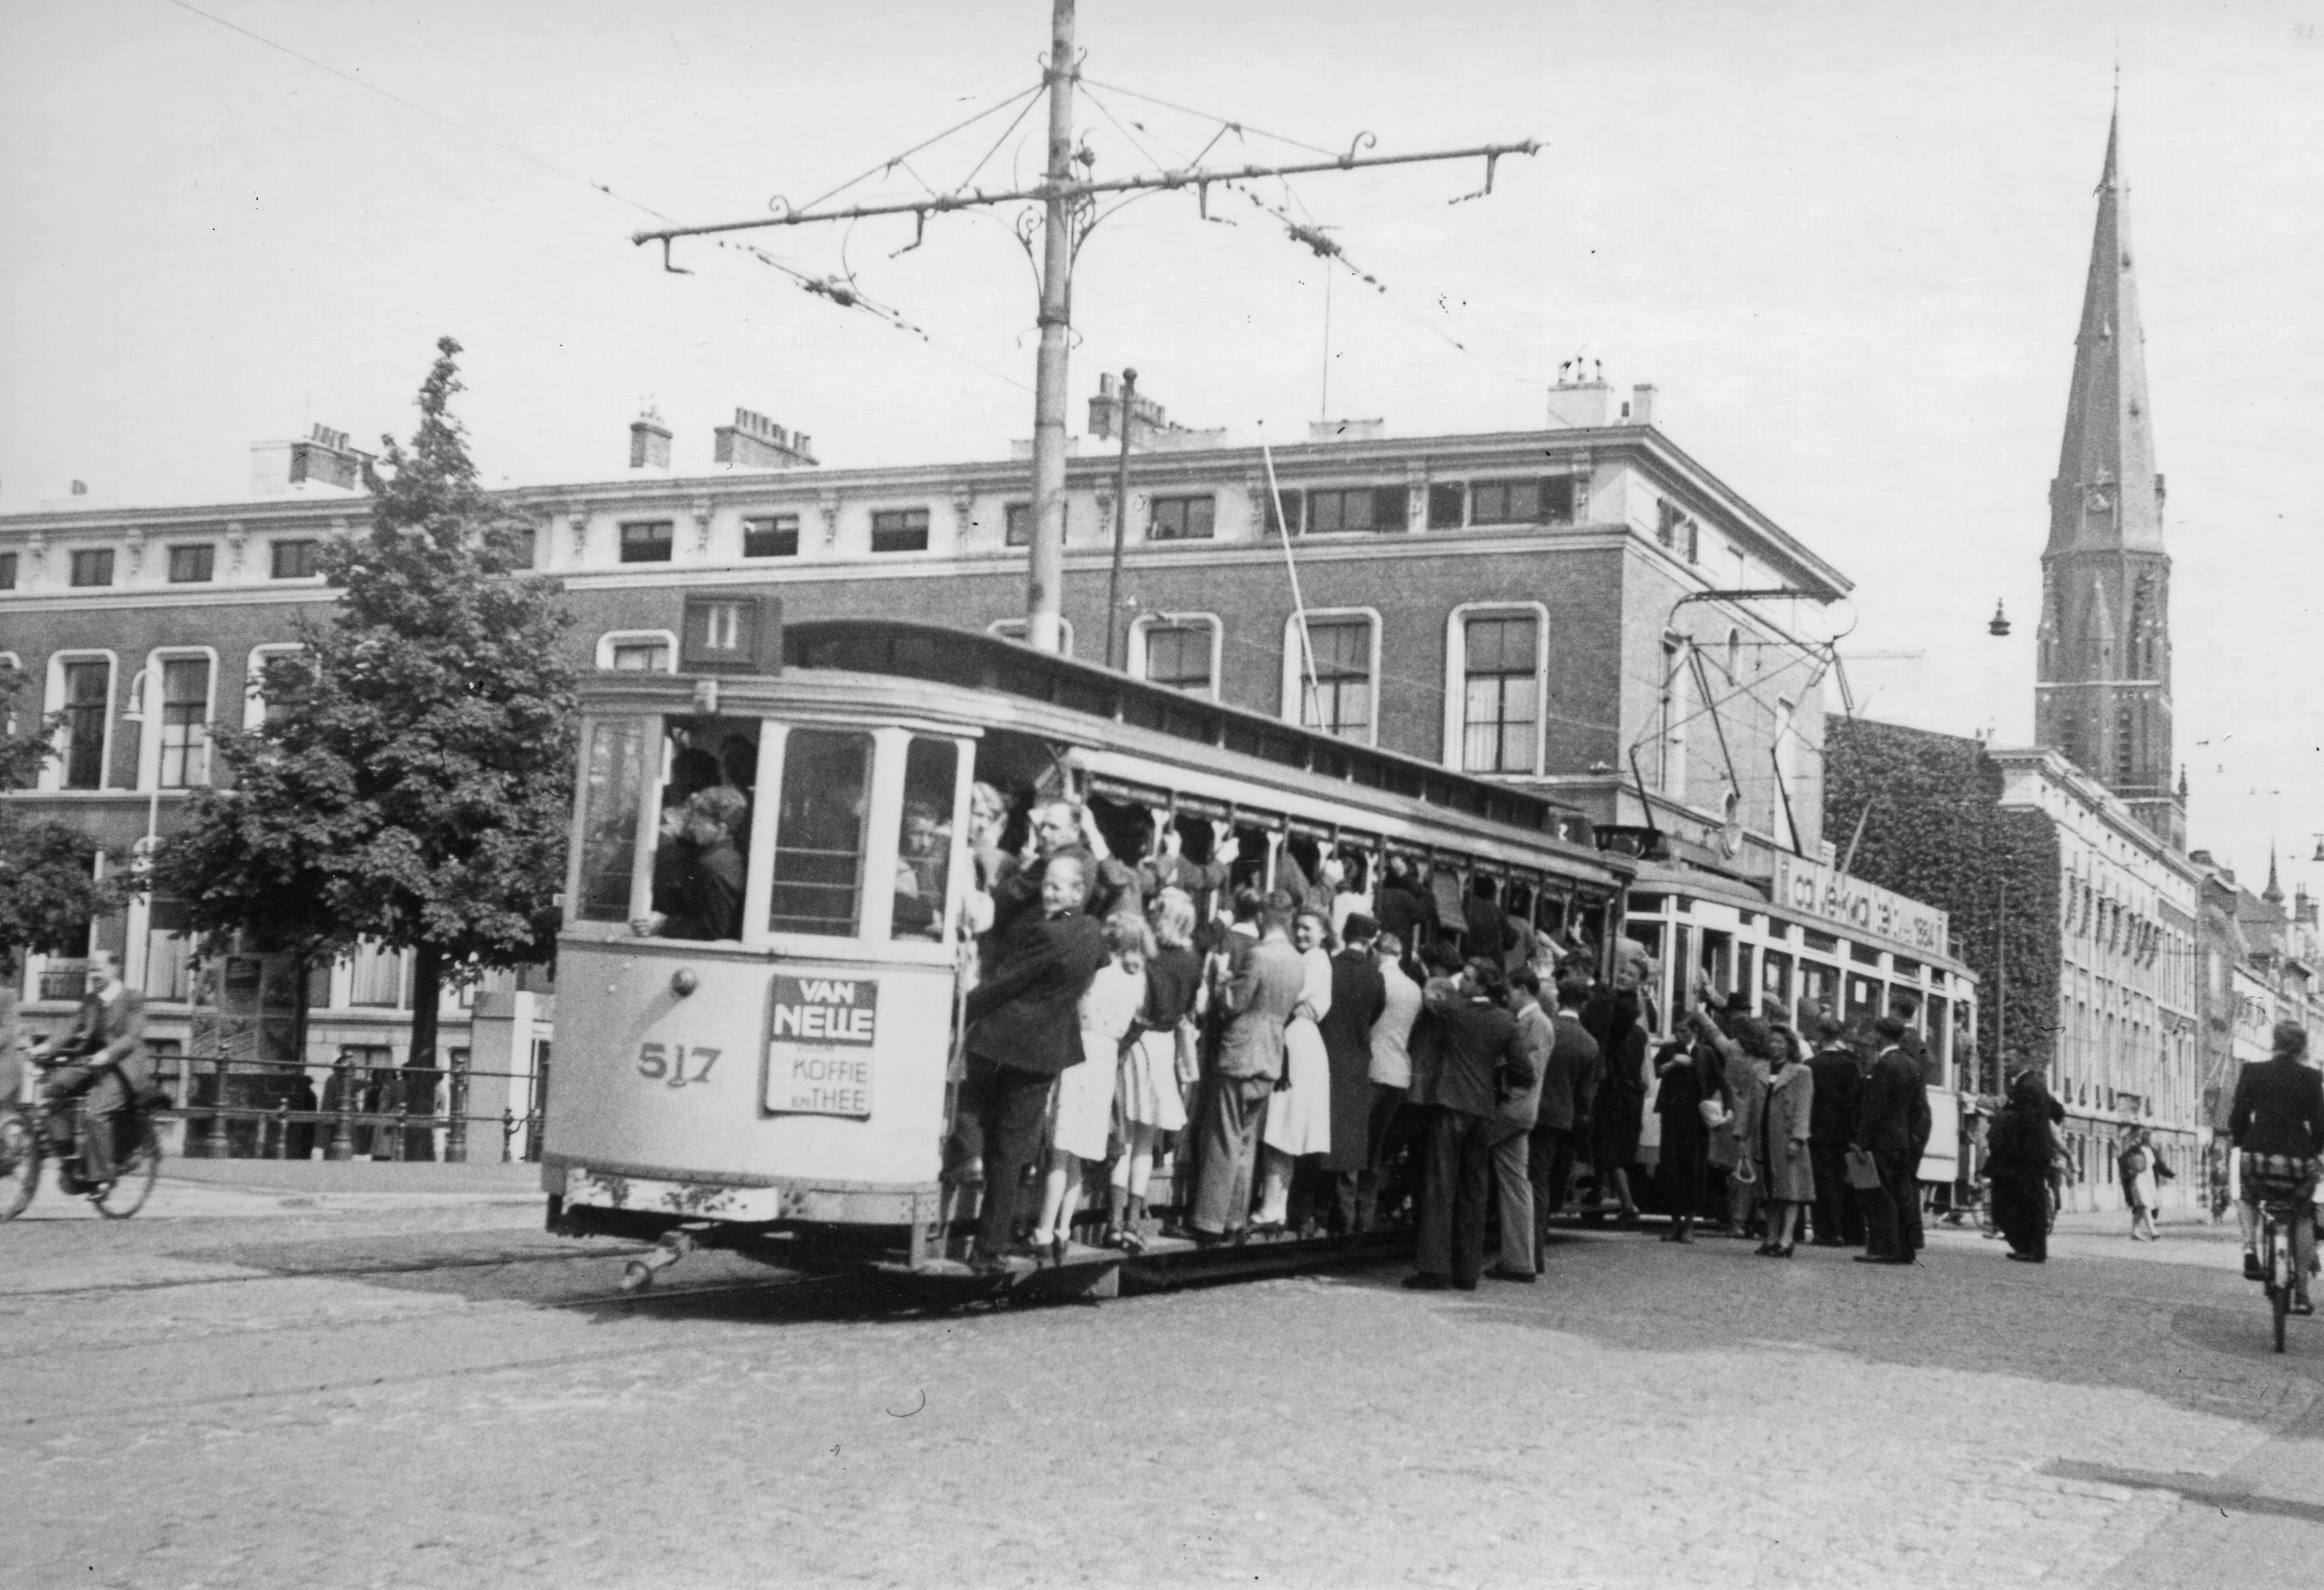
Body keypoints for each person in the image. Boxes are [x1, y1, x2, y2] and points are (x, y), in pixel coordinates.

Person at [954, 849, 1112, 1271]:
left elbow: (1004, 984)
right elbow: (1097, 961)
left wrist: (956, 1013)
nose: (1047, 893)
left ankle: (969, 1156)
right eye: (1046, 885)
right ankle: (989, 1250)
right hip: (1045, 1053)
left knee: (966, 1099)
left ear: (1079, 891)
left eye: (1057, 888)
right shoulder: (1092, 932)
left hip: (1004, 1041)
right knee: (1010, 1152)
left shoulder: (1048, 934)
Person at [1404, 957, 1534, 1291]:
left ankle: (1434, 1269)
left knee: (1440, 1185)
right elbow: (1524, 1071)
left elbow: (1431, 997)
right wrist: (1498, 1087)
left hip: (1450, 1105)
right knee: (1474, 1191)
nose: (1461, 983)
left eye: (1467, 979)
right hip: (1484, 1111)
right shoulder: (1506, 1020)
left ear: (1479, 985)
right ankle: (1466, 1272)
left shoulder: (1453, 1009)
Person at [1030, 913, 1150, 1262]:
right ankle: (1064, 1231)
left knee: (1059, 1152)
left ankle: (1043, 1231)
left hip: (1077, 1052)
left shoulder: (1094, 972)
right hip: (1106, 1060)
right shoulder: (1135, 980)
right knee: (1077, 1157)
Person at [1189, 891, 1305, 1244]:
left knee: (1223, 1138)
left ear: (1263, 918)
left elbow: (1233, 1003)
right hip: (1270, 1056)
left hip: (1241, 1054)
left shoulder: (1259, 955)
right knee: (1245, 1142)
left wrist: (1222, 978)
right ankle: (1235, 1221)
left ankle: (1208, 1222)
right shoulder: (1297, 960)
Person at [1108, 889, 1201, 1248]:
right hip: (1164, 1047)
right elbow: (1191, 1008)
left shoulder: (1150, 955)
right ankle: (1133, 1222)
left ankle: (1113, 1222)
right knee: (1146, 1141)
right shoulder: (1192, 961)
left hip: (1135, 1042)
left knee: (1125, 1138)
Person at [29, 950, 150, 1188]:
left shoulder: (133, 999)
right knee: (54, 1090)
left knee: (95, 1113)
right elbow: (71, 1027)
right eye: (90, 970)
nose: (93, 975)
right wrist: (46, 1047)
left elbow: (132, 1037)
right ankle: (67, 1153)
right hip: (91, 1063)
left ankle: (101, 1177)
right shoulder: (91, 1000)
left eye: (98, 969)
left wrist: (108, 1054)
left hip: (121, 1069)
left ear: (114, 969)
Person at [2228, 1021, 2322, 1312]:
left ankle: (2250, 1249)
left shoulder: (2253, 1072)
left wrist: (2242, 1142)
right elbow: (2320, 1125)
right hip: (2298, 1160)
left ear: (2274, 1043)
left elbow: (2238, 1117)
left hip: (2258, 1155)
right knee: (2303, 1215)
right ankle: (2302, 1294)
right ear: (2302, 1048)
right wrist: (2314, 1151)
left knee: (2247, 1195)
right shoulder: (2312, 1077)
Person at [1254, 907, 1336, 1231]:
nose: (1301, 934)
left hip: (1296, 1040)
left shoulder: (1315, 960)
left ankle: (1270, 1209)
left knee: (1280, 1127)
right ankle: (1277, 1209)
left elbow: (1289, 994)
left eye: (1308, 928)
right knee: (1285, 1128)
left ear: (1324, 933)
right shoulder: (1312, 958)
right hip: (1301, 1039)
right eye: (1298, 927)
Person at [1316, 913, 1388, 1233]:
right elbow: (1375, 1014)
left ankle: (1313, 1212)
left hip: (1325, 1055)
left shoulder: (1330, 966)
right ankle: (1344, 1215)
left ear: (1345, 934)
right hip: (1357, 1062)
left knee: (1320, 1134)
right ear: (1370, 940)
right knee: (1349, 1141)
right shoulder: (1376, 976)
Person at [1483, 966, 1555, 1282]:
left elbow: (1527, 1072)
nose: (1506, 997)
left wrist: (1500, 1097)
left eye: (1510, 991)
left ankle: (1518, 1261)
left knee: (1470, 1157)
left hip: (1512, 1110)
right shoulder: (1535, 1021)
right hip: (1522, 1113)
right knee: (1516, 1184)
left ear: (1524, 990)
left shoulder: (1535, 1023)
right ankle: (1520, 1262)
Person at [1528, 974, 1602, 1260]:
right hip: (1563, 1119)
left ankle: (1529, 1250)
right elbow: (1585, 1097)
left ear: (1558, 998)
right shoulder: (1590, 1044)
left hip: (1533, 1110)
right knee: (1545, 1182)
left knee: (1529, 1180)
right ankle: (1538, 1245)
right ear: (1584, 1004)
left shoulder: (1547, 1028)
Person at [1853, 1015, 1931, 1266]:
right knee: (1902, 1195)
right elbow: (1918, 1108)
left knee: (1880, 1196)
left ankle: (1884, 1248)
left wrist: (1861, 1141)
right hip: (1903, 1140)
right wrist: (1910, 1134)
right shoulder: (1912, 1064)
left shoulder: (1884, 1065)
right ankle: (1905, 1249)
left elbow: (1874, 1108)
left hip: (1881, 1140)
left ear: (1881, 1035)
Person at [1364, 929, 1424, 1225]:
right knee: (1378, 1148)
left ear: (1377, 952)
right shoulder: (1414, 989)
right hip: (1400, 1074)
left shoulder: (1377, 981)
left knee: (1361, 1145)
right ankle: (1367, 1212)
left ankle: (1351, 1214)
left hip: (1374, 1069)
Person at [1651, 1009, 1724, 1243]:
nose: (1678, 1035)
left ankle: (1689, 1225)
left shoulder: (1707, 1053)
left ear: (1695, 1032)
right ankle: (1675, 1223)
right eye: (1676, 1031)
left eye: (1683, 1031)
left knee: (1694, 1170)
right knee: (1671, 1168)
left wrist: (1727, 1108)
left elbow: (1720, 1081)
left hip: (1696, 1118)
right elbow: (1654, 1072)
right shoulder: (1669, 1050)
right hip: (1672, 1116)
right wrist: (1673, 1063)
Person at [1982, 1070, 2060, 1262]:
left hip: (2025, 1156)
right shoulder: (2032, 1084)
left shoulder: (2028, 1086)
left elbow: (2027, 1121)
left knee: (2024, 1203)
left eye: (2010, 1061)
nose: (2006, 1064)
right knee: (2025, 1202)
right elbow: (2057, 1111)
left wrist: (2008, 1122)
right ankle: (2029, 1247)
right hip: (2029, 1154)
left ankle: (2030, 1248)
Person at [1755, 1023, 1815, 1257]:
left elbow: (1803, 1108)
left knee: (1790, 1191)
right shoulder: (1758, 1069)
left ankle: (1786, 1239)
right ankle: (1771, 1238)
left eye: (1779, 1042)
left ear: (1789, 1045)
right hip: (1763, 1138)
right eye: (1771, 1041)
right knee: (1769, 1191)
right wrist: (1741, 1134)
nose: (1774, 1046)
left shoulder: (1801, 1072)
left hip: (1787, 1138)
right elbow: (1750, 1103)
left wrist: (1798, 1138)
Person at [1805, 1018, 1866, 1247]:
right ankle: (1847, 1230)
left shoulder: (1811, 1065)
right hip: (1844, 1132)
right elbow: (1856, 1101)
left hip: (1817, 1129)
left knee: (1822, 1182)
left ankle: (1826, 1231)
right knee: (1843, 1182)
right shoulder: (1851, 1065)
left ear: (1821, 1036)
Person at [2117, 1126, 2162, 1241]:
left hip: (2149, 1180)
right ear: (2147, 1139)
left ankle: (2135, 1232)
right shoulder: (2137, 1149)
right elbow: (2123, 1159)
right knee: (2145, 1204)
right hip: (2138, 1179)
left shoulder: (2152, 1151)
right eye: (2153, 1138)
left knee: (2141, 1207)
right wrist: (2129, 1171)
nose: (2155, 1140)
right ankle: (2153, 1231)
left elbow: (2158, 1166)